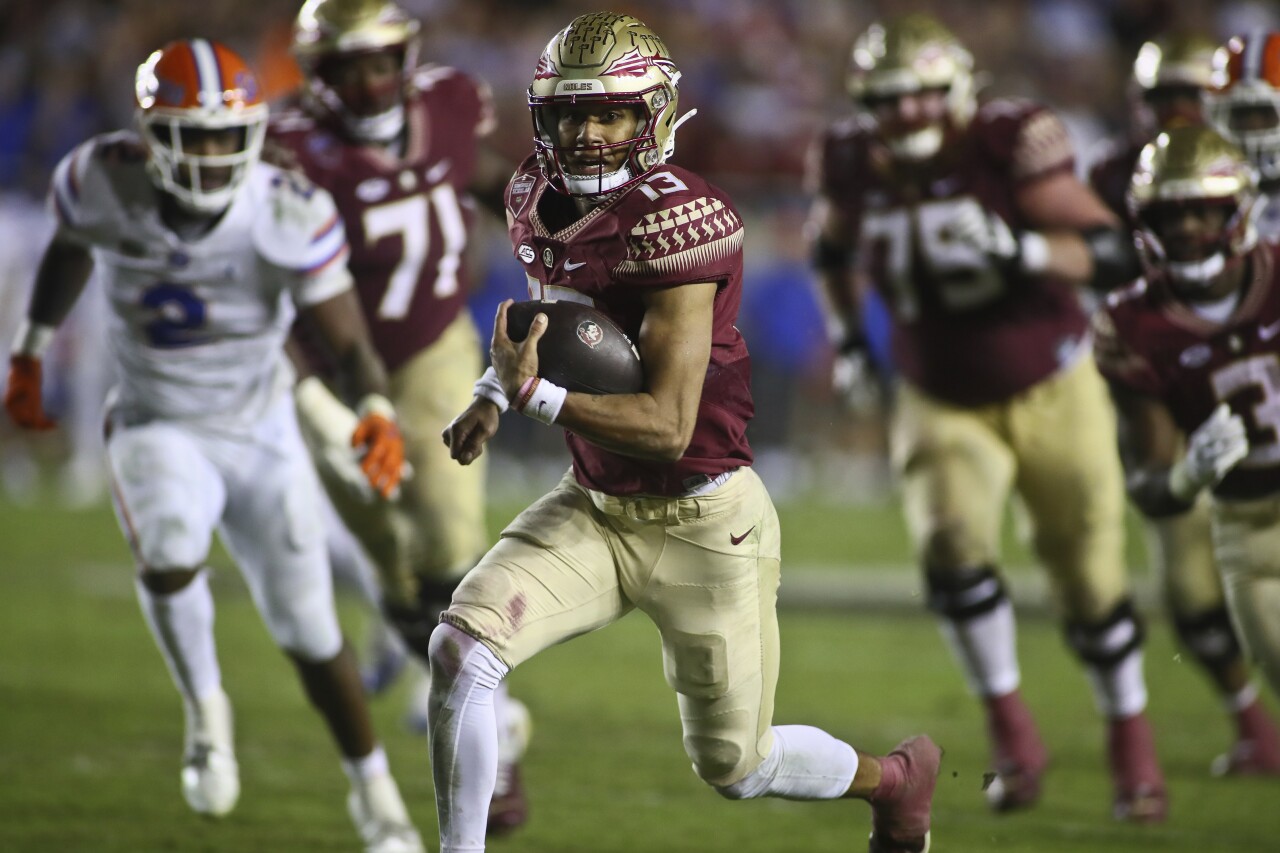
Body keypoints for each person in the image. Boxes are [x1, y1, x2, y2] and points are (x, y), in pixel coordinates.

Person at [431, 12, 942, 853]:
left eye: (612, 114)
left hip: (705, 519)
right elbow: (559, 327)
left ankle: (892, 780)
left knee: (736, 765)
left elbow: (668, 427)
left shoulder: (681, 221)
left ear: (656, 114)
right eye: (571, 114)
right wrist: (495, 390)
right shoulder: (533, 194)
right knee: (461, 650)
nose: (588, 135)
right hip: (594, 505)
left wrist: (536, 399)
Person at [2, 39, 423, 853]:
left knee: (309, 629)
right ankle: (206, 710)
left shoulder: (285, 208)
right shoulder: (100, 178)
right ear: (151, 132)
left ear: (254, 132)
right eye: (191, 134)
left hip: (262, 427)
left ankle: (373, 790)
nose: (211, 151)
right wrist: (29, 347)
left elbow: (348, 338)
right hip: (158, 420)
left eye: (226, 134)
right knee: (166, 544)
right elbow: (68, 247)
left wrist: (370, 405)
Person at [807, 13, 1167, 822]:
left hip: (1051, 380)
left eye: (923, 97)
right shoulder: (848, 159)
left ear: (958, 91)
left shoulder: (1008, 141)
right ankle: (1013, 733)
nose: (906, 117)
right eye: (888, 100)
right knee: (949, 547)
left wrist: (1021, 250)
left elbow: (1110, 249)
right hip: (938, 390)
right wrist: (851, 341)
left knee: (1091, 575)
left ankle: (1129, 736)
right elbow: (829, 252)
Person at [264, 0, 532, 832]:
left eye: (384, 61)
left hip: (428, 346)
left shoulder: (447, 104)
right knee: (387, 550)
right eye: (352, 65)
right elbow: (272, 281)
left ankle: (501, 733)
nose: (373, 81)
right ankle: (405, 629)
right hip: (325, 368)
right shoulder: (288, 147)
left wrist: (553, 240)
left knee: (451, 540)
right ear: (321, 72)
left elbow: (489, 179)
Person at [1089, 33, 1280, 777]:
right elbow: (1151, 470)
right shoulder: (1134, 314)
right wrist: (1184, 477)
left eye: (1191, 95)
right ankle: (1252, 724)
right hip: (1231, 488)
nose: (1177, 111)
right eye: (1162, 97)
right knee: (1188, 580)